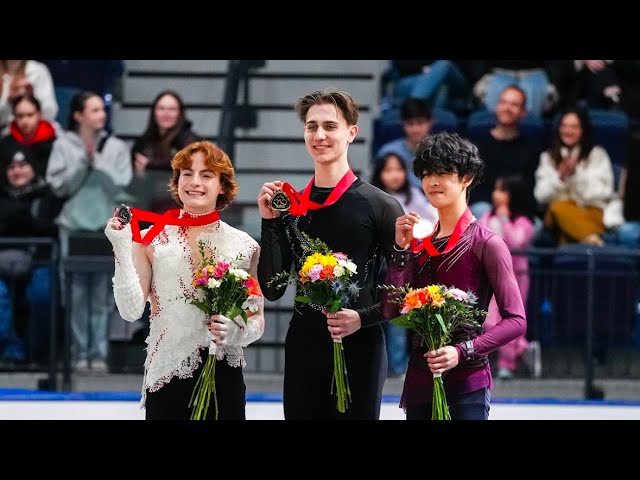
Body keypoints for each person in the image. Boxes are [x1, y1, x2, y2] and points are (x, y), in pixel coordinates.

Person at [257, 88, 404, 420]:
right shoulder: (291, 205)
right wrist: (270, 224)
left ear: (352, 132)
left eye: (330, 126)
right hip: (304, 346)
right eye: (311, 126)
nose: (319, 135)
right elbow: (273, 288)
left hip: (361, 346)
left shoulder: (380, 205)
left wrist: (361, 319)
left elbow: (402, 290)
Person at [105, 140, 264, 420]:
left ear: (222, 185)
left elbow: (257, 318)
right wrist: (121, 246)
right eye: (187, 174)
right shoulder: (152, 238)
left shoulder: (244, 245)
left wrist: (236, 332)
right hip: (167, 377)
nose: (194, 182)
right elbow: (130, 311)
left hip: (224, 376)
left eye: (206, 175)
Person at [381, 132, 527, 420]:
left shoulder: (487, 243)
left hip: (468, 379)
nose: (433, 181)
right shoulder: (418, 243)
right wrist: (399, 249)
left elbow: (516, 321)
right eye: (427, 174)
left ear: (467, 177)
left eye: (444, 172)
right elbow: (391, 310)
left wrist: (462, 351)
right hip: (421, 376)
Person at [46, 90, 133, 372]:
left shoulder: (117, 147)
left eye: (102, 110)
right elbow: (57, 185)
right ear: (78, 115)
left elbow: (123, 182)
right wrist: (82, 163)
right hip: (73, 227)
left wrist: (99, 160)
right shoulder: (63, 145)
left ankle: (99, 354)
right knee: (75, 295)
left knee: (102, 295)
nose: (101, 115)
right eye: (94, 110)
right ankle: (78, 354)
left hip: (104, 229)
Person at [370, 150, 437, 377]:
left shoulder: (415, 197)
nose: (394, 175)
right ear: (379, 173)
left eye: (398, 169)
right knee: (380, 318)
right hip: (378, 270)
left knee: (401, 319)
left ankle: (400, 369)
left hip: (409, 267)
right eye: (388, 170)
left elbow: (432, 222)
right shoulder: (372, 198)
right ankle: (384, 367)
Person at [0, 151, 63, 364]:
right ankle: (9, 353)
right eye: (12, 167)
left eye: (23, 165)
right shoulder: (2, 196)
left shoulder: (48, 195)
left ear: (33, 169)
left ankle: (36, 355)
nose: (17, 171)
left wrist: (28, 221)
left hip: (41, 261)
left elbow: (55, 229)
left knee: (41, 294)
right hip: (2, 264)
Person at [477, 175, 537, 380]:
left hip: (515, 279)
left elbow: (516, 242)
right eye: (496, 190)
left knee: (511, 320)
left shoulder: (524, 222)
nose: (496, 195)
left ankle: (507, 364)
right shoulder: (487, 216)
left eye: (502, 190)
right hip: (490, 277)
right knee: (490, 321)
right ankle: (524, 348)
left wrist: (504, 220)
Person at [534, 107, 617, 247]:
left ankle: (577, 250)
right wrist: (559, 178)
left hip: (591, 212)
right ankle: (596, 243)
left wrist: (575, 176)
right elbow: (540, 196)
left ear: (583, 130)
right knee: (558, 208)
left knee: (565, 235)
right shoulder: (547, 157)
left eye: (574, 127)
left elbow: (605, 193)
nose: (568, 131)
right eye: (564, 126)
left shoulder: (597, 155)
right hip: (557, 215)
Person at [468, 85, 540, 221]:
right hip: (485, 208)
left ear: (523, 112)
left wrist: (508, 209)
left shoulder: (531, 148)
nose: (507, 108)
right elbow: (471, 188)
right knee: (482, 211)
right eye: (503, 102)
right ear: (497, 107)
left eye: (514, 104)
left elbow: (529, 190)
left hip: (517, 211)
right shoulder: (477, 145)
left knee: (537, 225)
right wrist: (498, 208)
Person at [128, 90, 201, 213]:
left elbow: (184, 163)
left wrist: (150, 166)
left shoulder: (189, 140)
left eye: (172, 109)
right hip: (147, 207)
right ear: (154, 113)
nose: (166, 113)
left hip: (180, 210)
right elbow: (135, 179)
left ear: (179, 113)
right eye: (161, 109)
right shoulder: (144, 141)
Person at [375, 97, 433, 191]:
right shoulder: (388, 152)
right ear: (402, 124)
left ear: (430, 122)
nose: (415, 129)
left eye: (420, 123)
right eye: (410, 124)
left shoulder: (442, 153)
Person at [0, 94, 57, 178]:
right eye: (20, 116)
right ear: (14, 117)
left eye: (30, 115)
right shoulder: (5, 145)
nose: (25, 121)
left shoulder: (55, 143)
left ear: (39, 115)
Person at [0, 60, 58, 132]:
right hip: (5, 133)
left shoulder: (38, 71)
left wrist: (31, 98)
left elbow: (50, 113)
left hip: (35, 133)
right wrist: (9, 101)